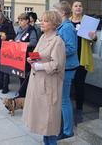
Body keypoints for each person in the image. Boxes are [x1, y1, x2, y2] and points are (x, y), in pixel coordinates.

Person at [23, 11, 66, 145]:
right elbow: (37, 53)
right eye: (42, 20)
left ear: (54, 24)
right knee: (43, 121)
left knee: (49, 121)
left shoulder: (57, 41)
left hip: (48, 84)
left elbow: (57, 64)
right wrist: (31, 58)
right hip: (38, 83)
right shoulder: (42, 37)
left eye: (45, 21)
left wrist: (39, 66)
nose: (42, 22)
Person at [53, 1, 79, 140]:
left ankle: (68, 131)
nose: (53, 13)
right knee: (63, 99)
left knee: (64, 100)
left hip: (68, 67)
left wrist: (54, 52)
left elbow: (71, 48)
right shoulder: (63, 26)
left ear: (62, 13)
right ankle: (64, 128)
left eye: (55, 11)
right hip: (65, 66)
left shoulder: (67, 27)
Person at [70, 1, 97, 124]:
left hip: (82, 58)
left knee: (79, 84)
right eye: (76, 6)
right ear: (72, 9)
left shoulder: (87, 22)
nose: (78, 7)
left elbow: (94, 40)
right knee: (67, 84)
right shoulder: (67, 22)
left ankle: (79, 110)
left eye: (80, 6)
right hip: (69, 58)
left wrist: (94, 37)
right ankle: (67, 109)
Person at [14, 13, 38, 98]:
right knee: (21, 75)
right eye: (19, 20)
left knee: (26, 77)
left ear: (27, 21)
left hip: (28, 57)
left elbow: (34, 42)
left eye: (22, 20)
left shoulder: (31, 30)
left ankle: (25, 94)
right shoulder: (19, 29)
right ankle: (22, 93)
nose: (20, 22)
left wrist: (22, 44)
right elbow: (16, 39)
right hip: (20, 57)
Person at [0, 12, 16, 94]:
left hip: (5, 48)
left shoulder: (8, 24)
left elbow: (13, 35)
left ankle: (5, 86)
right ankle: (0, 83)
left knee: (5, 68)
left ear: (2, 19)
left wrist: (6, 37)